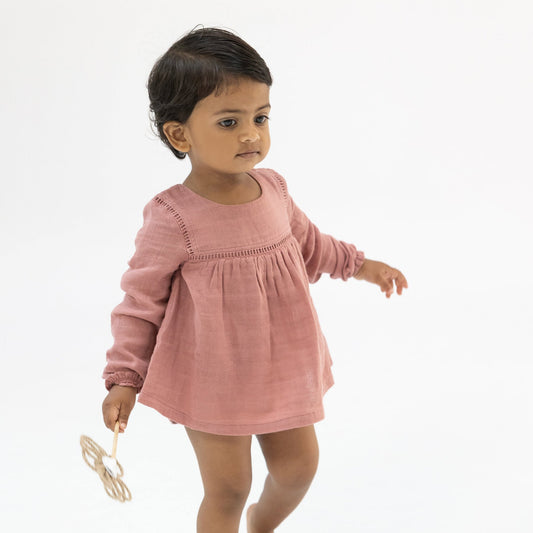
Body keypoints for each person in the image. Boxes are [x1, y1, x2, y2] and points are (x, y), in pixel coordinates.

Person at [101, 27, 408, 533]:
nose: (251, 135)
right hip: (211, 376)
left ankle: (261, 524)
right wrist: (123, 378)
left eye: (260, 118)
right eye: (229, 122)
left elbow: (310, 245)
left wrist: (360, 266)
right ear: (180, 136)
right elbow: (140, 302)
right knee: (228, 489)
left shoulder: (273, 189)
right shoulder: (173, 217)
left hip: (282, 363)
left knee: (298, 468)